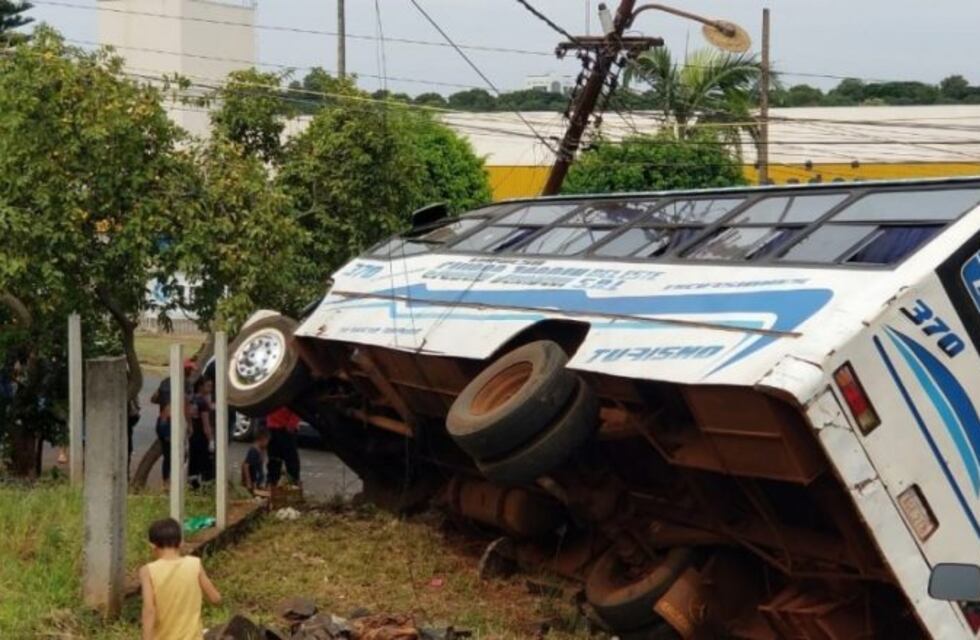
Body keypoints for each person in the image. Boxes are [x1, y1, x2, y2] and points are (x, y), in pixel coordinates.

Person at [140, 518, 221, 640]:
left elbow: (149, 611)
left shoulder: (148, 571)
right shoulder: (195, 564)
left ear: (152, 545)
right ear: (181, 543)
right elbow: (216, 598)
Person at [151, 359, 197, 487]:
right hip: (174, 422)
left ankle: (166, 482)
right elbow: (186, 406)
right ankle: (174, 483)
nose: (191, 372)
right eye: (189, 370)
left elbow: (154, 398)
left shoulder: (165, 382)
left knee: (167, 455)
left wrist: (165, 402)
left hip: (162, 422)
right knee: (178, 454)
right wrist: (190, 425)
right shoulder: (186, 384)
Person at [187, 377, 215, 489]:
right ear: (200, 387)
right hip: (201, 436)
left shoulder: (192, 399)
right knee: (205, 461)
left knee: (193, 459)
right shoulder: (203, 403)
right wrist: (211, 439)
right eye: (208, 386)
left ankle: (192, 482)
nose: (210, 388)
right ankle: (206, 484)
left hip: (193, 434)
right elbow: (206, 424)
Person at [266, 406, 301, 487]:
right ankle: (272, 483)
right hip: (272, 426)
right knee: (273, 459)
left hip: (286, 428)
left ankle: (293, 483)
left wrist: (292, 424)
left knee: (291, 459)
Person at [241, 425, 270, 493]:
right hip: (253, 481)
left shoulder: (261, 449)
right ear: (263, 439)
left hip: (258, 481)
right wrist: (248, 481)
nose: (268, 443)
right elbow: (246, 465)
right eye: (267, 440)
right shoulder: (254, 451)